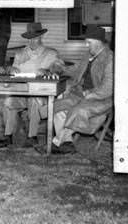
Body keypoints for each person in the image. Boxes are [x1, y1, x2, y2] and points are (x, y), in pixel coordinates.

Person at [49, 25, 114, 155]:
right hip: (81, 95)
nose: (86, 45)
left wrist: (90, 94)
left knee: (78, 110)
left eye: (89, 42)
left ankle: (56, 143)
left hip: (101, 99)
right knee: (57, 107)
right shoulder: (88, 55)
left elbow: (108, 87)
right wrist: (61, 68)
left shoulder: (110, 59)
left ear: (98, 42)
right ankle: (67, 143)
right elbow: (77, 70)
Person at [1, 22, 65, 146]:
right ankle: (8, 136)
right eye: (29, 39)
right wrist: (11, 70)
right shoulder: (20, 54)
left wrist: (48, 71)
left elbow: (59, 68)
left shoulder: (51, 53)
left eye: (35, 38)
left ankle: (32, 136)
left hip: (41, 95)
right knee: (8, 102)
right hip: (21, 93)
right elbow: (12, 69)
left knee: (34, 101)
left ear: (41, 37)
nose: (32, 41)